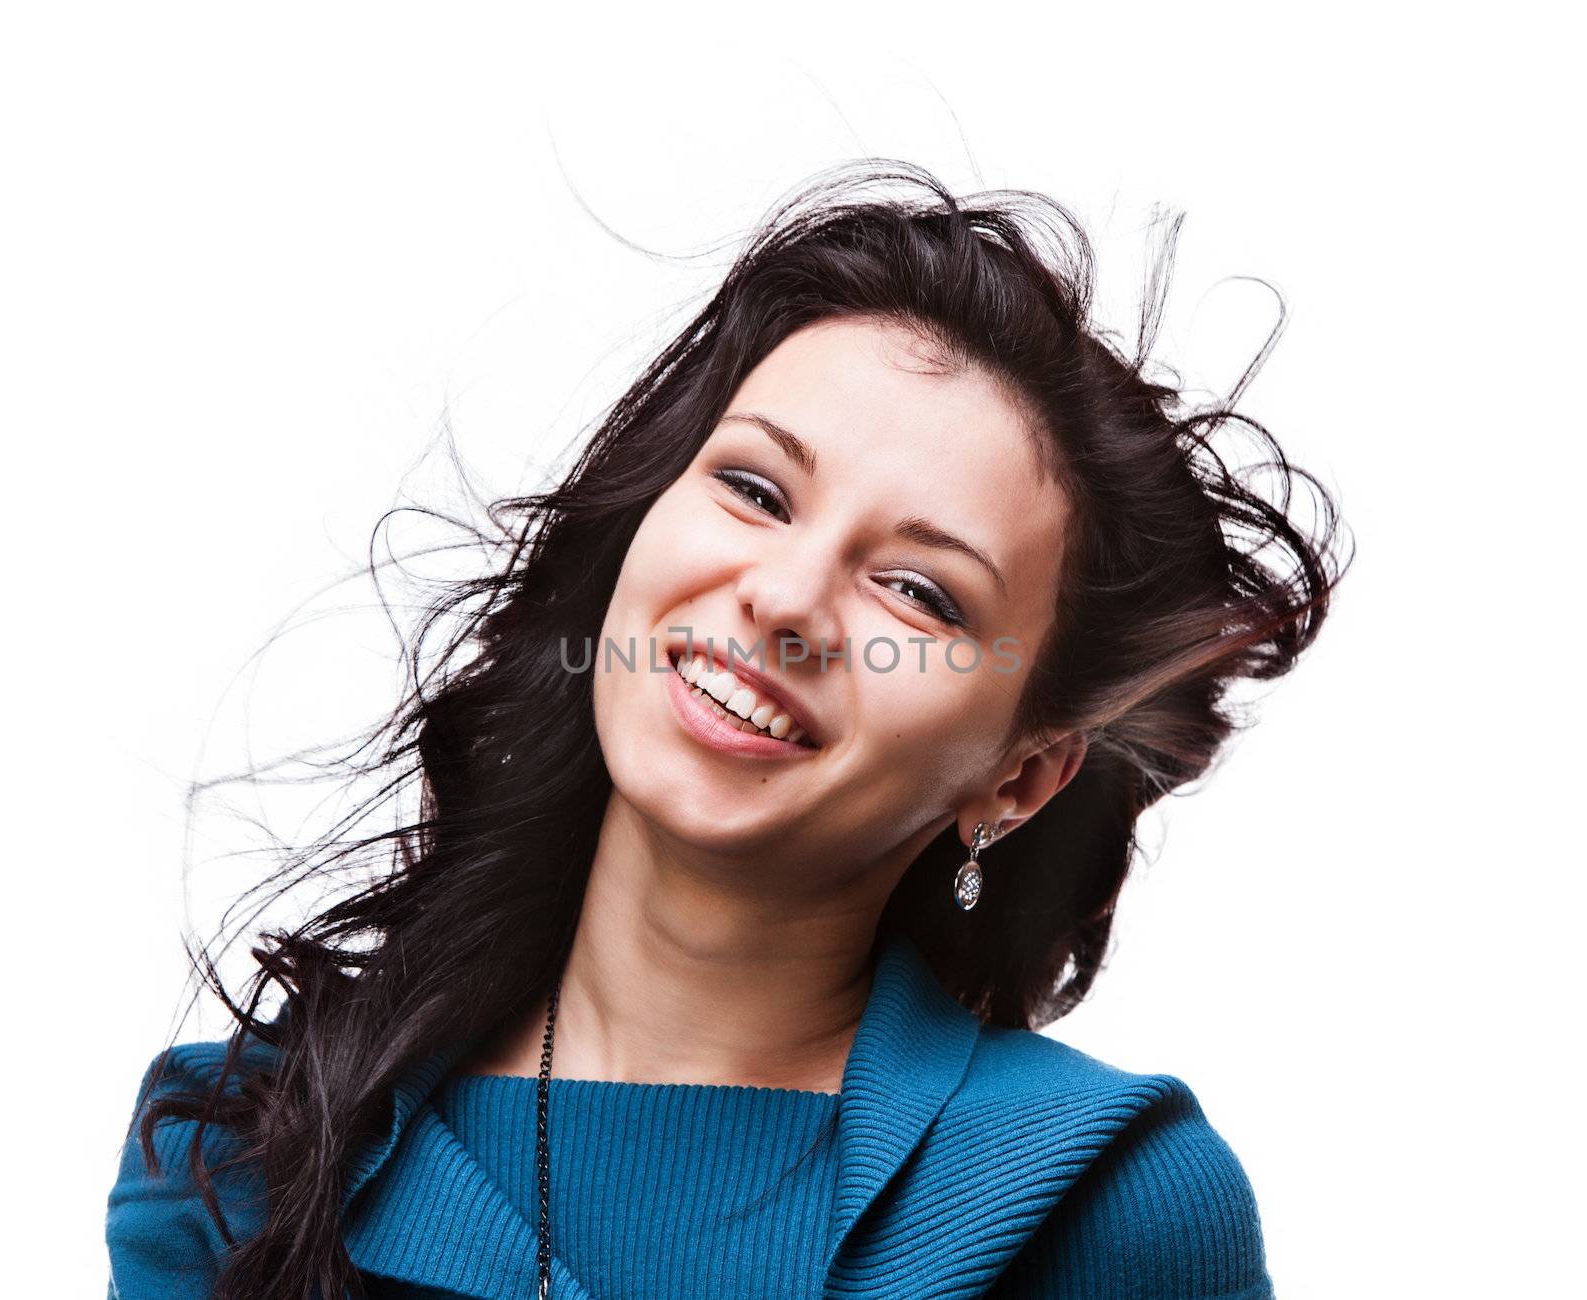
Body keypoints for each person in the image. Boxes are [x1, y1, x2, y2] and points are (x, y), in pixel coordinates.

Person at [105, 159, 1349, 1299]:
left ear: (1018, 779)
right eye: (754, 490)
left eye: (919, 592)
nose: (787, 599)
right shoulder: (240, 1149)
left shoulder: (1098, 1204)